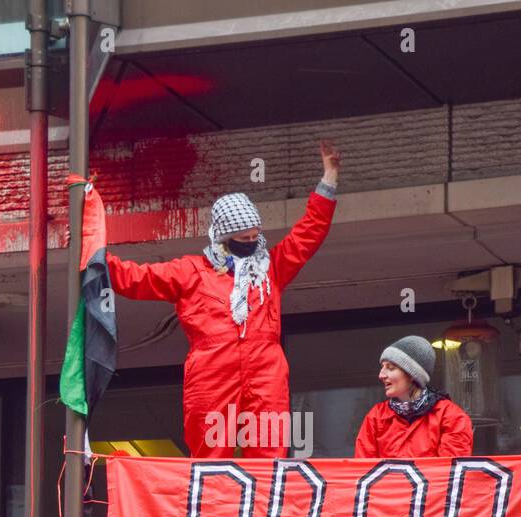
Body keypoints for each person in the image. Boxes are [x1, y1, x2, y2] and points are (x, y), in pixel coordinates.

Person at [104, 142, 342, 458]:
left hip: (265, 366)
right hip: (211, 369)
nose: (253, 243)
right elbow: (134, 279)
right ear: (223, 237)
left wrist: (329, 178)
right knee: (210, 455)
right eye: (244, 239)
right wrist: (94, 254)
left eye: (256, 235)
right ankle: (210, 506)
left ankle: (267, 506)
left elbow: (309, 233)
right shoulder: (191, 271)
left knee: (269, 453)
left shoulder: (270, 267)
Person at [354, 335, 474, 457]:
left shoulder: (450, 417)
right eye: (382, 367)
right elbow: (363, 471)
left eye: (390, 368)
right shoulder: (376, 417)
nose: (381, 375)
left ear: (413, 375)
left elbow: (449, 472)